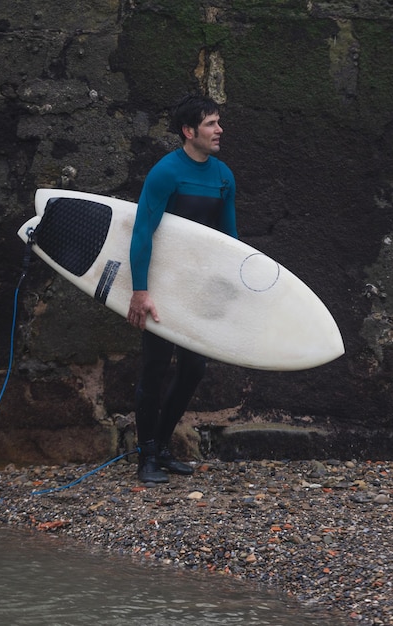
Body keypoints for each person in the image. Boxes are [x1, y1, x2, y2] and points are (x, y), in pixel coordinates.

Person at [127, 93, 238, 484]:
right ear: (189, 131)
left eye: (218, 122)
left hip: (198, 286)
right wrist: (140, 291)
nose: (219, 130)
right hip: (161, 284)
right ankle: (146, 457)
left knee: (193, 367)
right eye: (211, 124)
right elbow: (142, 232)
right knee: (155, 368)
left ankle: (160, 445)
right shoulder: (166, 173)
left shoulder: (223, 176)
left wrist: (230, 288)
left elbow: (229, 239)